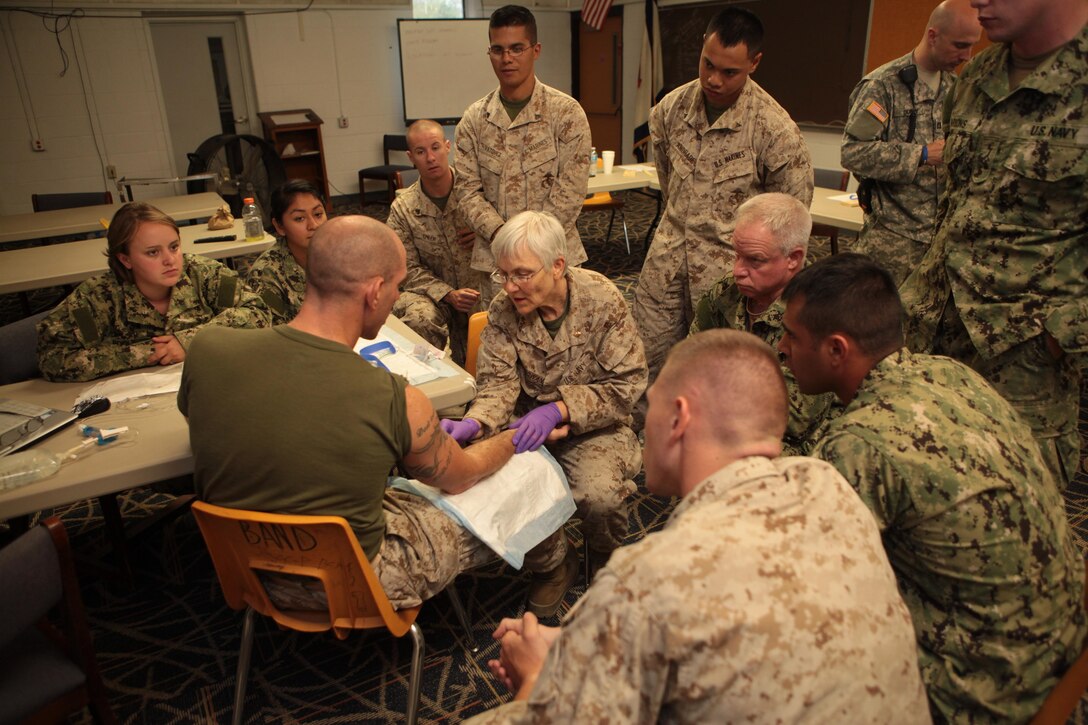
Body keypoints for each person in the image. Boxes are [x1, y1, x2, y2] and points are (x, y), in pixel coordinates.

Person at [465, 330, 931, 723]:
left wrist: (535, 675)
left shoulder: (646, 576)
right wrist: (582, 642)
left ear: (679, 418)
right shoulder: (831, 487)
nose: (644, 427)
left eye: (652, 409)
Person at [178, 215, 574, 616]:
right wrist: (513, 438)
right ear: (375, 292)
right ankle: (555, 562)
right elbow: (463, 476)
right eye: (399, 286)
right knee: (524, 470)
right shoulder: (393, 396)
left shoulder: (207, 350)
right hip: (353, 584)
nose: (398, 298)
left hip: (245, 568)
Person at [778, 253, 1087, 722]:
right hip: (1056, 645)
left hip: (987, 688)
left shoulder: (861, 444)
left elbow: (787, 563)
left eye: (791, 337)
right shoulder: (947, 372)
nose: (781, 348)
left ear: (837, 350)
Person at [900, 0, 1088, 489]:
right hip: (931, 338)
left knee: (1007, 526)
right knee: (920, 508)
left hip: (1021, 361)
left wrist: (1058, 336)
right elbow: (958, 202)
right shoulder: (977, 75)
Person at [444, 211, 646, 572]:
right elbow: (498, 384)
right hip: (522, 426)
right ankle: (553, 563)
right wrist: (475, 423)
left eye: (521, 274)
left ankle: (604, 558)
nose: (509, 287)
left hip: (595, 427)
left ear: (557, 266)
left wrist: (561, 409)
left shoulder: (602, 300)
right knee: (493, 486)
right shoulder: (504, 310)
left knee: (600, 498)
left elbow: (627, 385)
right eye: (503, 275)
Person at [632, 6, 813, 391]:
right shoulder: (670, 109)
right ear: (702, 48)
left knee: (714, 382)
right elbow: (669, 181)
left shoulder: (774, 130)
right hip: (664, 265)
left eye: (729, 72)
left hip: (728, 280)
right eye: (707, 64)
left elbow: (791, 219)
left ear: (755, 62)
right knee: (643, 371)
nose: (713, 79)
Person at [37, 201, 269, 382]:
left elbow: (258, 314)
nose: (170, 260)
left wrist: (189, 341)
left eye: (174, 247)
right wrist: (146, 353)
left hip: (207, 386)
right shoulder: (99, 296)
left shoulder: (203, 274)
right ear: (125, 259)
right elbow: (54, 358)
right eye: (152, 253)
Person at [454, 5, 591, 304]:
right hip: (496, 264)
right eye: (498, 49)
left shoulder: (565, 113)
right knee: (502, 345)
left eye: (517, 48)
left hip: (554, 262)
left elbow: (571, 190)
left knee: (562, 344)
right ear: (489, 52)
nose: (507, 58)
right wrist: (505, 238)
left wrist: (533, 245)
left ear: (535, 49)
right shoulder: (475, 119)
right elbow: (467, 192)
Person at [840, 0, 981, 285]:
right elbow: (853, 153)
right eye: (959, 45)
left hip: (941, 242)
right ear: (933, 36)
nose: (967, 55)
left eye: (971, 46)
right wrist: (922, 154)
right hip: (893, 240)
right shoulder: (883, 86)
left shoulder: (955, 89)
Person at [690, 193, 838, 454]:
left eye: (754, 260)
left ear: (793, 258)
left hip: (804, 447)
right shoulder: (728, 292)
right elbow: (688, 362)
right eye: (737, 255)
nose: (737, 270)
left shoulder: (821, 310)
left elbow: (793, 418)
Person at [387, 119, 485, 365]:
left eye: (435, 147)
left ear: (448, 147)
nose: (430, 157)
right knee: (419, 317)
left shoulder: (477, 192)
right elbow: (404, 267)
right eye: (421, 152)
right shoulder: (404, 208)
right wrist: (447, 294)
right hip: (433, 295)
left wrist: (485, 236)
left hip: (480, 287)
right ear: (411, 157)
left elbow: (510, 234)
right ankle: (431, 381)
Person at [244, 179, 328, 324]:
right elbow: (271, 335)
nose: (313, 225)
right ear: (279, 227)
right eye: (299, 218)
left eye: (318, 214)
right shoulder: (266, 274)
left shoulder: (341, 252)